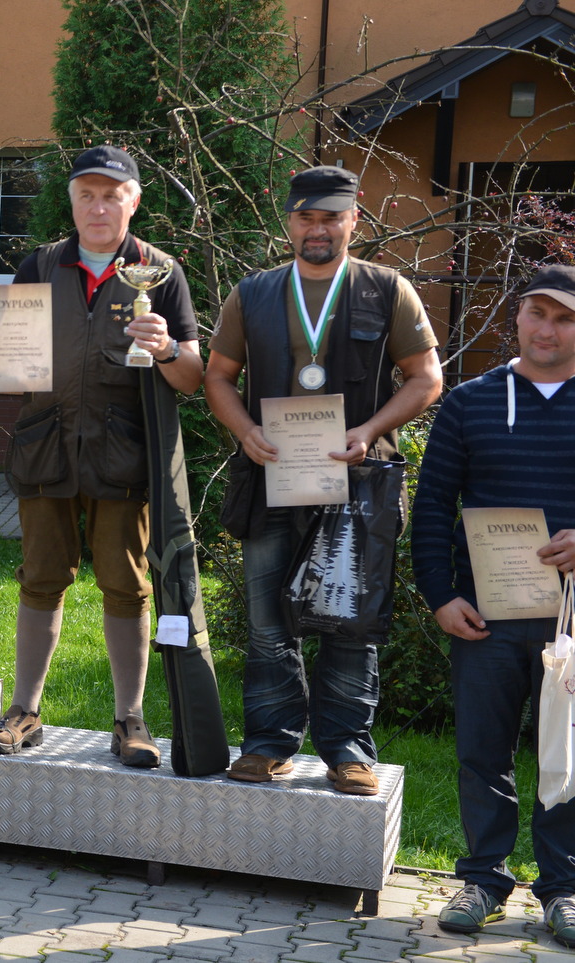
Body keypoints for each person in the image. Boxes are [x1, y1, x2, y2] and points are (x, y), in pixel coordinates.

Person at [205, 166, 441, 795]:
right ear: (289, 220)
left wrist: (370, 430)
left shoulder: (388, 290)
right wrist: (244, 431)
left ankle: (347, 751)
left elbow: (426, 378)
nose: (318, 228)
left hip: (357, 487)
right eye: (306, 216)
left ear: (353, 219)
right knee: (267, 624)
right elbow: (218, 376)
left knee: (350, 621)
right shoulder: (252, 293)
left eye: (331, 217)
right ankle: (268, 743)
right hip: (270, 480)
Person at [0, 146, 202, 767]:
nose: (99, 208)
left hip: (123, 455)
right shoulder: (40, 264)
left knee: (125, 584)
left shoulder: (162, 272)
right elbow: (16, 367)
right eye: (87, 196)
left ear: (134, 201)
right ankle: (25, 710)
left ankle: (130, 719)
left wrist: (168, 349)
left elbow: (193, 376)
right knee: (41, 577)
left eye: (112, 196)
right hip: (46, 447)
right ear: (71, 201)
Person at [411, 264, 575, 944]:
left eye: (564, 318)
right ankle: (483, 878)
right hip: (485, 617)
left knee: (568, 755)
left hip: (572, 621)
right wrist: (441, 595)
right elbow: (431, 504)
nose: (547, 329)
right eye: (537, 313)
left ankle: (565, 889)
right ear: (518, 316)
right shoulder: (470, 402)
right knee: (483, 751)